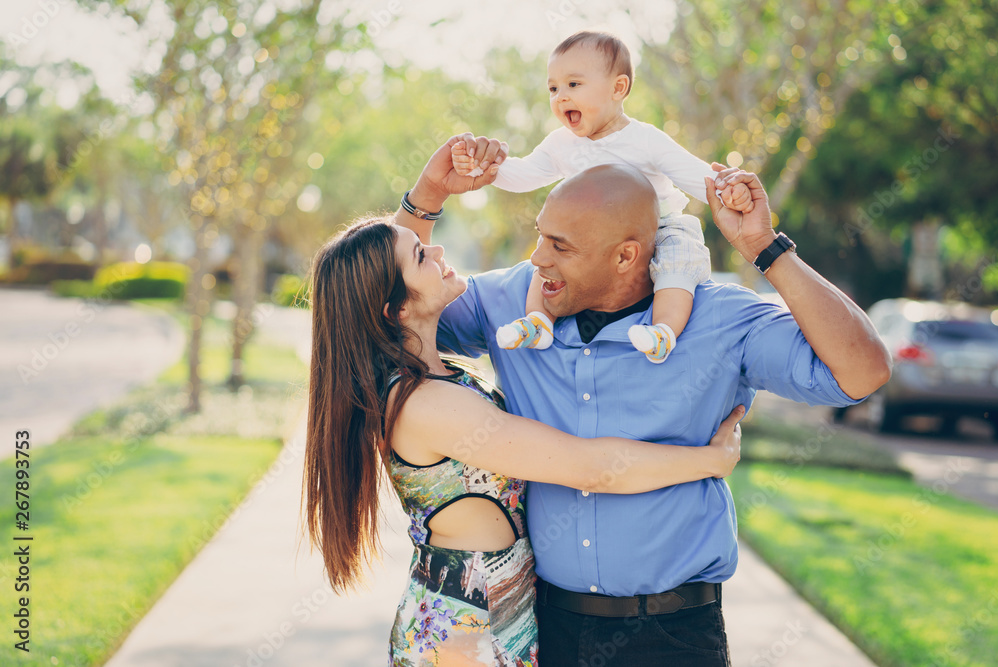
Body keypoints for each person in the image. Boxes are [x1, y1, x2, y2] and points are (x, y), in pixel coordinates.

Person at [400, 134, 892, 666]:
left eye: (561, 246)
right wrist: (429, 193)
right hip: (548, 630)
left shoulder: (720, 320)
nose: (539, 258)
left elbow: (862, 374)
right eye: (541, 237)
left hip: (673, 638)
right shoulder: (512, 300)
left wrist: (764, 249)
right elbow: (394, 303)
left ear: (627, 255)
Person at [300, 209, 745, 665]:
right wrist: (710, 462)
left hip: (496, 614)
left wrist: (431, 190)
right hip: (465, 634)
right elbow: (590, 467)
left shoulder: (436, 375)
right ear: (395, 309)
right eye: (420, 256)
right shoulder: (424, 404)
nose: (435, 249)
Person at [452, 30, 754, 364]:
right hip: (587, 240)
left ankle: (663, 332)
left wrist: (730, 190)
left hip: (659, 227)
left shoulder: (644, 140)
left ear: (618, 88)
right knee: (549, 258)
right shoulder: (560, 144)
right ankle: (538, 322)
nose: (561, 97)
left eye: (574, 85)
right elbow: (525, 175)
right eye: (553, 88)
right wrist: (486, 168)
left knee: (678, 265)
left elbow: (694, 174)